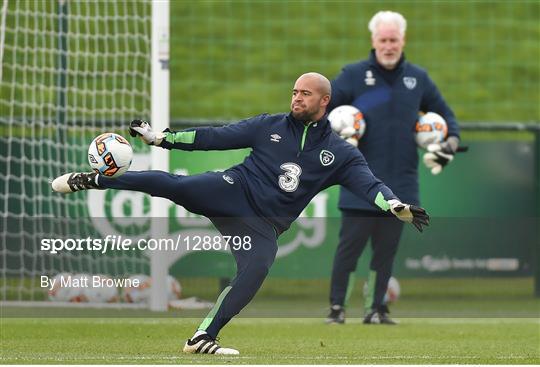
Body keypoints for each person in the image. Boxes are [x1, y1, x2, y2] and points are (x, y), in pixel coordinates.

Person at [52, 72, 429, 355]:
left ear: (324, 101)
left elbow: (369, 184)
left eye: (305, 93)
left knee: (258, 268)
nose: (297, 98)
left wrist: (393, 205)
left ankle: (202, 337)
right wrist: (159, 138)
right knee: (176, 185)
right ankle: (97, 180)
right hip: (233, 191)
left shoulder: (341, 154)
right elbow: (215, 136)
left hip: (264, 224)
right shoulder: (269, 125)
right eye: (295, 91)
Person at [325, 11, 460, 325]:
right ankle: (337, 309)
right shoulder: (353, 75)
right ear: (374, 41)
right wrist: (336, 138)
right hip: (359, 182)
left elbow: (448, 120)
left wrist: (447, 149)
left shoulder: (418, 78)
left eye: (394, 40)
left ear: (403, 41)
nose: (388, 46)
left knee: (385, 253)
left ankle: (376, 309)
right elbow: (323, 110)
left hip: (401, 184)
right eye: (383, 40)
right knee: (348, 251)